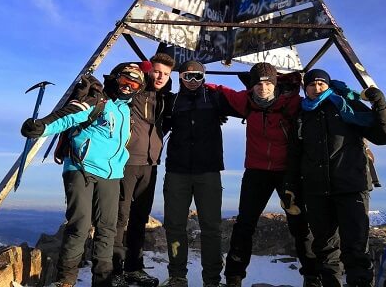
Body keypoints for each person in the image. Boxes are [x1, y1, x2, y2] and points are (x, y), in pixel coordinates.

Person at [20, 64, 145, 287]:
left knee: (107, 228)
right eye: (125, 80)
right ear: (116, 79)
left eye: (134, 83)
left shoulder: (126, 110)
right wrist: (42, 127)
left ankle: (102, 281)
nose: (128, 87)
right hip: (81, 168)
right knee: (80, 225)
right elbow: (70, 116)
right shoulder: (98, 100)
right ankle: (65, 280)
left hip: (112, 174)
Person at [213, 62, 322, 287]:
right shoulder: (245, 102)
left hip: (288, 173)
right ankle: (233, 278)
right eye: (258, 83)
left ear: (275, 84)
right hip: (256, 172)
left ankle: (312, 277)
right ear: (251, 86)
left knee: (300, 226)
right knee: (244, 225)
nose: (263, 87)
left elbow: (321, 103)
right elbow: (222, 90)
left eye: (268, 82)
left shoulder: (292, 104)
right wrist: (200, 80)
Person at [285, 69, 386, 287]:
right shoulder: (301, 115)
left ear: (328, 85)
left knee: (356, 247)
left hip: (351, 186)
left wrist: (380, 104)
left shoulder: (346, 106)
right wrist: (291, 188)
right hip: (316, 191)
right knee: (325, 249)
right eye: (311, 85)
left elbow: (382, 136)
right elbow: (295, 154)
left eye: (320, 84)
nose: (316, 88)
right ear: (305, 88)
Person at [160, 60, 236, 287]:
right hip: (177, 171)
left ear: (204, 78)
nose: (193, 81)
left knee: (211, 227)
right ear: (180, 77)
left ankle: (212, 280)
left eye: (198, 77)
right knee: (174, 225)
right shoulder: (171, 102)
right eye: (187, 76)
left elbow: (248, 103)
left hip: (209, 172)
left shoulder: (214, 99)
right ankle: (177, 277)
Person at [112, 53, 175, 287]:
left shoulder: (165, 98)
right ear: (149, 70)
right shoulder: (135, 89)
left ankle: (134, 268)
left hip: (151, 164)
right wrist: (140, 68)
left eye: (166, 74)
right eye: (157, 71)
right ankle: (115, 270)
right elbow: (116, 75)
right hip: (127, 162)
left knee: (139, 219)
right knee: (120, 217)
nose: (161, 77)